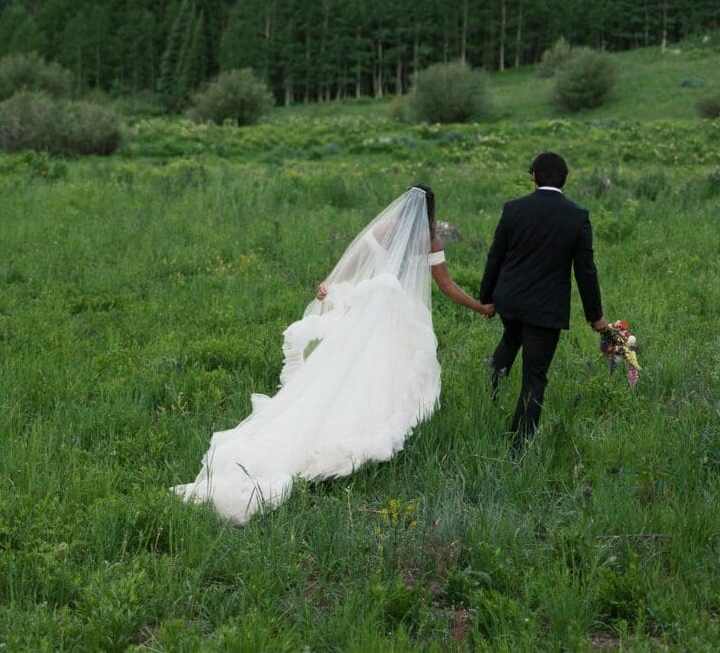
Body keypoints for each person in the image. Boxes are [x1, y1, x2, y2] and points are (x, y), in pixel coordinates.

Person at [172, 183, 493, 524]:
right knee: (389, 372)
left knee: (347, 368)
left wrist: (330, 279)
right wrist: (479, 307)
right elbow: (446, 285)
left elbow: (355, 258)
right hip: (401, 318)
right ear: (430, 211)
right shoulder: (430, 241)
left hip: (371, 312)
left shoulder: (386, 230)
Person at [479, 151, 609, 443]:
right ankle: (519, 445)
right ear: (564, 179)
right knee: (535, 376)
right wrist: (595, 317)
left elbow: (495, 256)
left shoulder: (514, 209)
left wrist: (486, 298)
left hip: (510, 302)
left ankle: (490, 393)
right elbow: (585, 270)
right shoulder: (577, 217)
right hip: (545, 310)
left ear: (534, 176)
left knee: (511, 338)